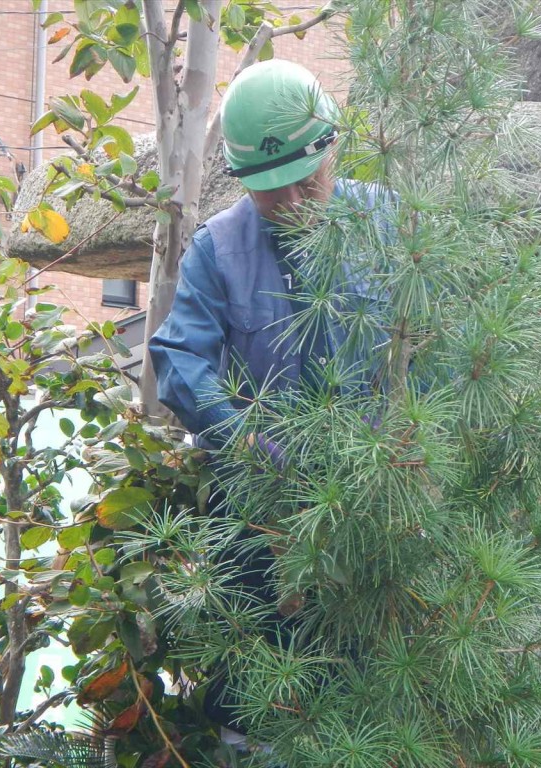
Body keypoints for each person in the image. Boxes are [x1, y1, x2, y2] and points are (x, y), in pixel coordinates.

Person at [146, 59, 384, 742]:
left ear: (332, 150)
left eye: (307, 183)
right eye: (271, 195)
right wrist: (240, 436)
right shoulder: (216, 250)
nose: (295, 205)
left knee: (367, 721)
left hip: (372, 525)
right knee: (254, 723)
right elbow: (179, 357)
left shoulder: (391, 231)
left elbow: (434, 355)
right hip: (255, 529)